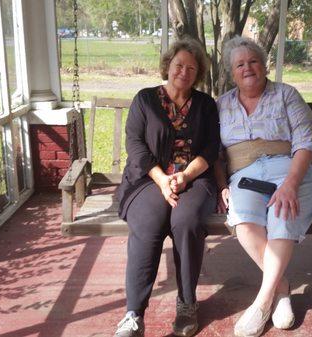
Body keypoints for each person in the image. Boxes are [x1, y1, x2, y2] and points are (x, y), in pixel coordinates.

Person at [214, 36, 312, 337]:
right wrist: (223, 185)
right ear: (231, 72)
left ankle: (262, 303)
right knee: (243, 221)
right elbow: (214, 153)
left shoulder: (287, 95)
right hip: (245, 176)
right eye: (240, 64)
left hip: (290, 170)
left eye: (253, 61)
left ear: (264, 65)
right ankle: (282, 287)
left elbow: (306, 142)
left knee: (281, 214)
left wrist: (290, 183)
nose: (247, 68)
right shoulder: (220, 105)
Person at [114, 38, 220, 337]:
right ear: (168, 66)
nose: (183, 72)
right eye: (178, 65)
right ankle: (134, 314)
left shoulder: (205, 105)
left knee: (186, 222)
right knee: (149, 222)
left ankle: (187, 303)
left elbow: (212, 148)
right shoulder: (145, 100)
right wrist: (162, 179)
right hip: (148, 179)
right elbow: (135, 146)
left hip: (194, 178)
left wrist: (185, 176)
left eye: (191, 67)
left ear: (197, 73)